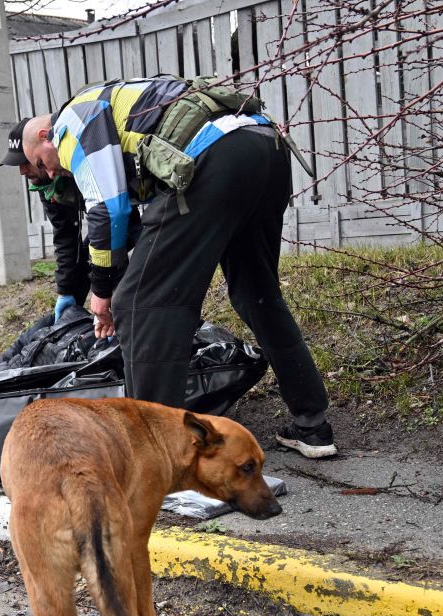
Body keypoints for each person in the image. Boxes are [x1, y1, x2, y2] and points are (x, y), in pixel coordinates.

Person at [22, 77, 337, 458]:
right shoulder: (119, 115)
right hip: (264, 147)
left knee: (142, 305)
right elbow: (139, 231)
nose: (51, 175)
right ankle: (312, 426)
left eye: (41, 163)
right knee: (257, 293)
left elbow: (108, 210)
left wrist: (103, 294)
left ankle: (156, 457)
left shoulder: (71, 122)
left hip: (214, 155)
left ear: (45, 135)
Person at [0, 118, 140, 323]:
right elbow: (65, 235)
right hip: (105, 220)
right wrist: (65, 292)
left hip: (124, 213)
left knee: (109, 264)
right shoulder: (46, 185)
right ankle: (77, 322)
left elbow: (113, 219)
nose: (22, 171)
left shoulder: (74, 160)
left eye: (24, 162)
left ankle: (124, 319)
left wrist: (103, 293)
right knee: (84, 262)